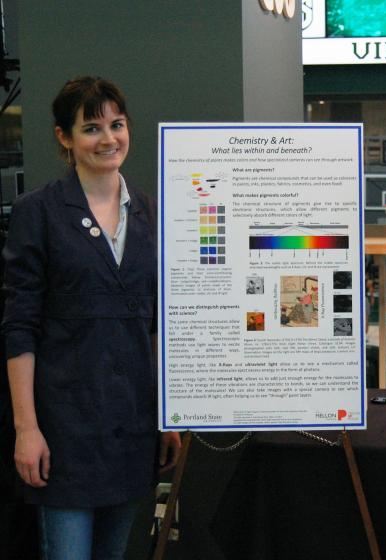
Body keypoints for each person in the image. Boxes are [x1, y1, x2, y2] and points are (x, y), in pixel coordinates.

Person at [2, 76, 181, 560]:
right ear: (64, 137)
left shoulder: (150, 212)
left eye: (117, 124)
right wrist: (26, 428)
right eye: (91, 128)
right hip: (63, 431)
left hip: (132, 426)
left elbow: (159, 323)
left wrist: (169, 414)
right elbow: (20, 326)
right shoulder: (38, 212)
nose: (108, 139)